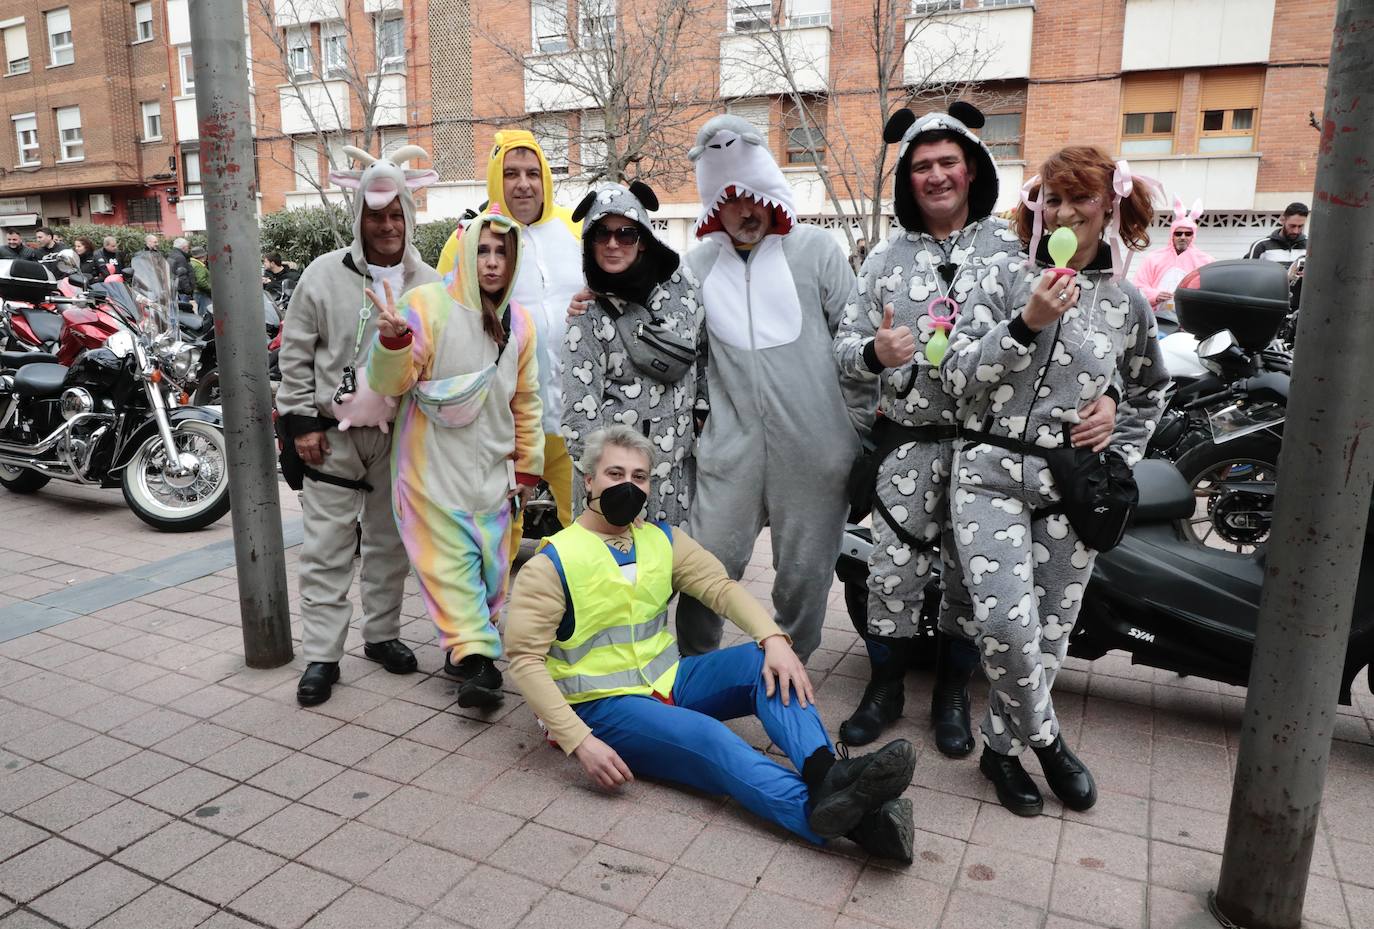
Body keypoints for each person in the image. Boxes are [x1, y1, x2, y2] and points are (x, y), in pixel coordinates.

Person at [505, 424, 918, 861]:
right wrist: (579, 741)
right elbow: (525, 661)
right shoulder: (552, 562)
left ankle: (826, 776)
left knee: (765, 664)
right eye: (615, 474)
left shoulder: (662, 540)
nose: (628, 485)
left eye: (639, 477)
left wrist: (774, 640)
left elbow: (720, 588)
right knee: (710, 740)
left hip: (667, 679)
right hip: (599, 704)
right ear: (588, 479)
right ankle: (856, 824)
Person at [940, 146, 1169, 816]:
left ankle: (1001, 751)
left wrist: (1118, 422)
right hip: (987, 476)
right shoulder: (1005, 277)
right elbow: (954, 378)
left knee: (1049, 635)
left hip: (1074, 488)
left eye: (1079, 198)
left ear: (1110, 205)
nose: (1064, 211)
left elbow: (1152, 389)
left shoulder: (1127, 302)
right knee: (1008, 628)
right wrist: (1024, 323)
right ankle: (1049, 742)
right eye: (1052, 199)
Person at [833, 103, 1048, 755]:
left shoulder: (1012, 252)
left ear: (972, 167)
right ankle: (884, 688)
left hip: (985, 452)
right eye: (921, 165)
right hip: (906, 447)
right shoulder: (883, 259)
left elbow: (1052, 338)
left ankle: (953, 695)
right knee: (891, 573)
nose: (935, 174)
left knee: (967, 579)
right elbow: (841, 348)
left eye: (947, 160)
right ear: (907, 178)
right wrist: (876, 352)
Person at [672, 114, 863, 662]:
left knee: (804, 578)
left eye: (751, 194)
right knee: (705, 568)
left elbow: (854, 345)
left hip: (815, 451)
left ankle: (789, 672)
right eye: (729, 200)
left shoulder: (818, 251)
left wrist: (857, 436)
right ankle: (697, 675)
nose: (745, 210)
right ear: (713, 205)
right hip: (730, 453)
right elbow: (678, 342)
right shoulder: (698, 266)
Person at [276, 144, 441, 706]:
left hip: (400, 439)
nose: (388, 225)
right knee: (325, 547)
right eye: (376, 215)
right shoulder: (321, 276)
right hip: (330, 437)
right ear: (359, 217)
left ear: (409, 216)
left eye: (397, 214)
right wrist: (299, 423)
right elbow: (295, 353)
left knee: (390, 545)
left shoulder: (431, 283)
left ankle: (382, 635)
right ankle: (322, 654)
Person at [368, 209, 544, 707]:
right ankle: (481, 666)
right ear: (467, 253)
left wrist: (527, 466)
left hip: (493, 477)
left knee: (491, 573)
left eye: (502, 254)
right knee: (449, 568)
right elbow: (389, 384)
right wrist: (393, 342)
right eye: (483, 251)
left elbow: (526, 401)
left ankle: (466, 652)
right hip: (431, 473)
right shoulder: (425, 304)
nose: (492, 263)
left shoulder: (522, 325)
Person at [437, 131, 583, 561]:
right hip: (508, 418)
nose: (524, 183)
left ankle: (588, 616)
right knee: (499, 531)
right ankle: (487, 621)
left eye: (533, 173)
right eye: (512, 173)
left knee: (590, 525)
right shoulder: (472, 237)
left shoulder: (576, 228)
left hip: (577, 413)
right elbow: (442, 318)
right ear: (495, 179)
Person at [561, 181, 706, 525]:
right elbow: (578, 415)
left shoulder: (682, 289)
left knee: (670, 574)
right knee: (612, 576)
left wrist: (701, 410)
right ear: (589, 241)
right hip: (616, 491)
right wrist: (610, 488)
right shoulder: (587, 315)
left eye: (626, 233)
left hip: (677, 483)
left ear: (642, 241)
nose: (613, 244)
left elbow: (703, 355)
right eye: (601, 233)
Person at [1134, 197, 1214, 313]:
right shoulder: (1153, 258)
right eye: (1178, 233)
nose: (1183, 237)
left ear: (1193, 235)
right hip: (1157, 319)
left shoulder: (1206, 262)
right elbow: (1138, 287)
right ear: (1172, 234)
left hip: (1189, 321)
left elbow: (1210, 293)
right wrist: (1155, 295)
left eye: (1188, 233)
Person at [1244, 201, 1308, 265]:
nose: (1296, 231)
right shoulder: (1261, 246)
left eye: (1300, 226)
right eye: (1292, 226)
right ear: (1282, 220)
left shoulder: (1311, 246)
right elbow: (1248, 272)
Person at [189, 245, 212, 314]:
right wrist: (211, 289)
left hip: (197, 292)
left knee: (202, 312)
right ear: (203, 256)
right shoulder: (198, 266)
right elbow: (201, 282)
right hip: (202, 294)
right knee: (206, 313)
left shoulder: (192, 263)